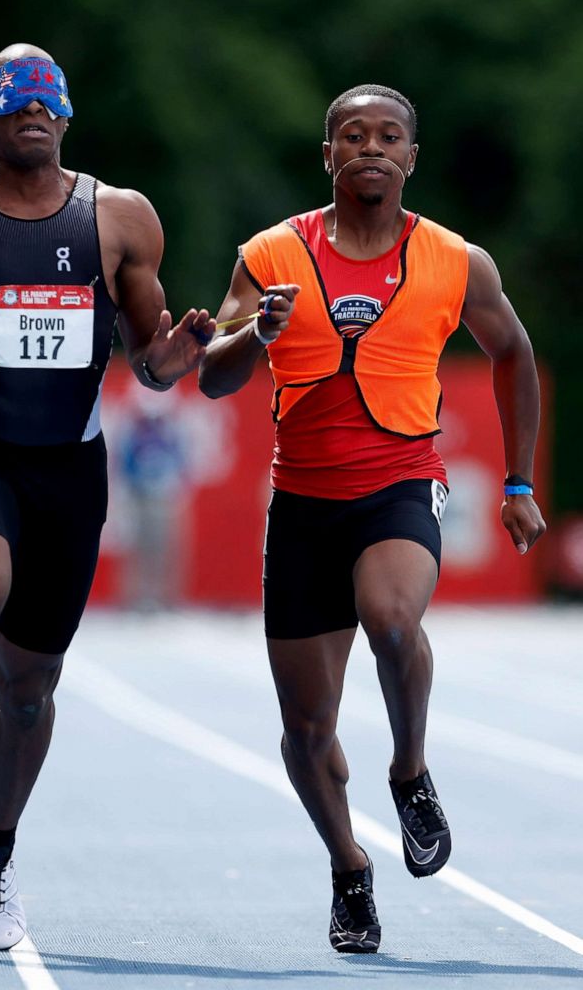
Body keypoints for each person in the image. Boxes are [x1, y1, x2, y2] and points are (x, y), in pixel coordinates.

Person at [0, 42, 214, 951]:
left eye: (48, 96)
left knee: (28, 691)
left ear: (66, 118)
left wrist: (181, 353)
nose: (33, 106)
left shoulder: (120, 220)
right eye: (12, 96)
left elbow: (150, 364)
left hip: (69, 467)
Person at [198, 84, 546, 954]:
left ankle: (410, 770)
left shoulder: (458, 260)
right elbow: (211, 373)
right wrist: (256, 336)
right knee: (307, 733)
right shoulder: (271, 254)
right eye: (352, 134)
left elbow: (513, 353)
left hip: (400, 482)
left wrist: (516, 483)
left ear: (411, 157)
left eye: (389, 136)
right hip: (304, 503)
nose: (371, 147)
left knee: (393, 618)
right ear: (328, 154)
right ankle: (350, 866)